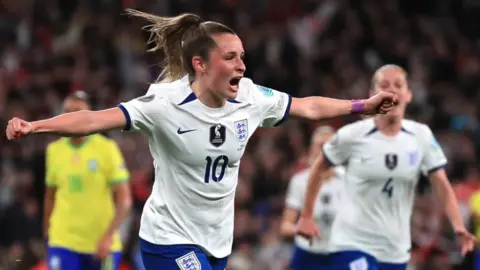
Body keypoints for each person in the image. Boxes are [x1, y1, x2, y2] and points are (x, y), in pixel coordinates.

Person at [6, 10, 397, 270]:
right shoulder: (165, 104)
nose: (242, 66)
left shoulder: (250, 98)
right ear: (200, 64)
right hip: (167, 238)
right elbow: (95, 118)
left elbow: (307, 107)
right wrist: (37, 126)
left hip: (216, 240)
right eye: (230, 57)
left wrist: (363, 105)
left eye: (242, 56)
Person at [296, 64, 476, 270]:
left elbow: (441, 184)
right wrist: (306, 216)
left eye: (398, 84)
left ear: (408, 95)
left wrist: (459, 227)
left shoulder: (421, 136)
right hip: (352, 243)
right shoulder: (353, 135)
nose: (392, 90)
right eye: (384, 85)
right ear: (372, 95)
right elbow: (319, 165)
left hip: (395, 250)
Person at [43, 91, 132, 270]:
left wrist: (109, 236)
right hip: (63, 241)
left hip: (100, 243)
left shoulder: (107, 149)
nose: (72, 116)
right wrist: (47, 232)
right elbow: (50, 196)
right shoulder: (54, 150)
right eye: (67, 111)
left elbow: (124, 200)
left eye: (77, 111)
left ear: (88, 115)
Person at [280, 125, 344, 270]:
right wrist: (300, 229)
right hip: (307, 255)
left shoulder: (348, 179)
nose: (323, 152)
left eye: (328, 146)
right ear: (310, 150)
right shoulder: (299, 181)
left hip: (339, 253)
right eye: (319, 146)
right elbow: (285, 226)